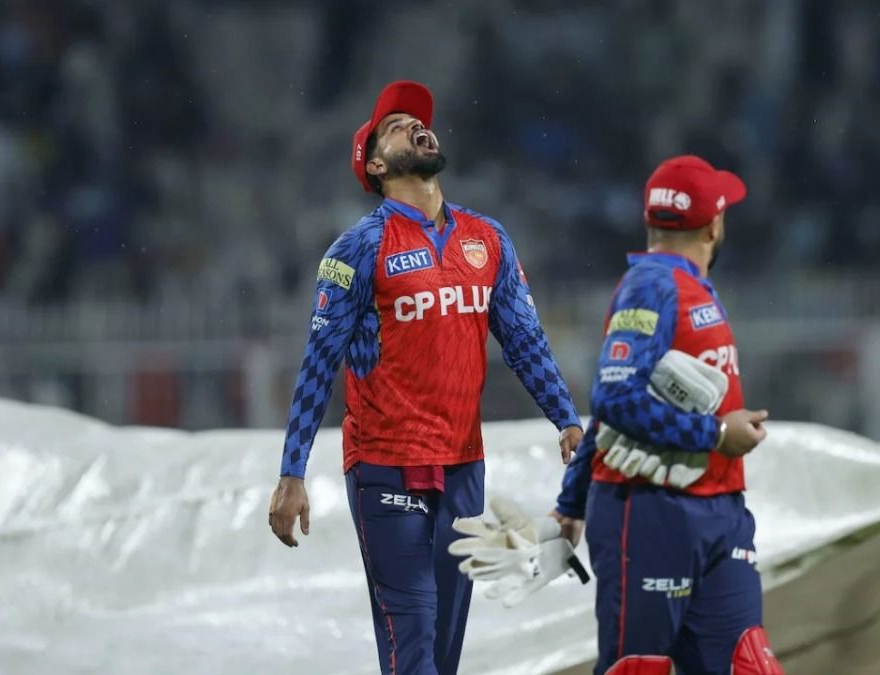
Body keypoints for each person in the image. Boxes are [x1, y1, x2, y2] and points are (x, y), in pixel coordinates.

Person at [266, 80, 584, 675]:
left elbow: (522, 339)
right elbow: (317, 364)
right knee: (412, 647)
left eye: (419, 120)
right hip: (386, 465)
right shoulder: (356, 250)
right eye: (396, 125)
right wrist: (292, 472)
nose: (416, 126)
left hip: (464, 469)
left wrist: (565, 416)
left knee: (442, 652)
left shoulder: (487, 239)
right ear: (377, 165)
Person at [553, 156, 782, 675]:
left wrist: (570, 502)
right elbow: (615, 399)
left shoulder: (684, 286)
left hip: (719, 514)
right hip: (650, 514)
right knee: (640, 669)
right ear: (713, 224)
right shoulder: (652, 286)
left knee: (749, 666)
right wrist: (718, 432)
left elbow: (614, 409)